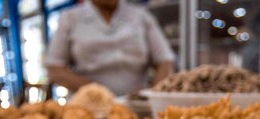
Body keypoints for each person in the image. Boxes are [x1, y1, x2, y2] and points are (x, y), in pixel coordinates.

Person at [45, 0, 176, 96]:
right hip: (86, 107)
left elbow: (165, 60)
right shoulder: (70, 18)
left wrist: (153, 95)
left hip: (135, 106)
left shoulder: (141, 16)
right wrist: (95, 90)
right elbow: (54, 68)